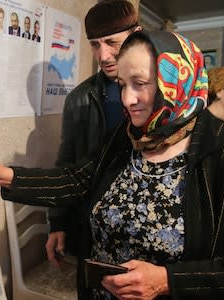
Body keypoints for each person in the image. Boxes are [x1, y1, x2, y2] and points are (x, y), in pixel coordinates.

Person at [0, 30, 224, 299]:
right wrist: (4, 175)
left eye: (141, 84)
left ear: (177, 80)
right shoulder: (129, 135)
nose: (128, 99)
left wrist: (167, 280)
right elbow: (80, 179)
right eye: (122, 84)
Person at [46, 1, 141, 299]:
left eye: (113, 42)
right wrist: (57, 223)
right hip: (92, 229)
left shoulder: (161, 91)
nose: (103, 55)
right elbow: (67, 163)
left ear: (137, 35)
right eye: (95, 45)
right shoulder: (80, 98)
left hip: (145, 230)